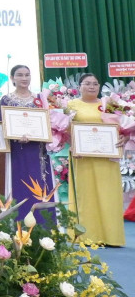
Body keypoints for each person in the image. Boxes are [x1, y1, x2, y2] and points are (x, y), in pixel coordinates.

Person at [67, 73, 126, 246]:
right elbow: (64, 129)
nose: (91, 86)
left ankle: (111, 237)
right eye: (87, 83)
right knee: (85, 196)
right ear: (79, 87)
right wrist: (73, 144)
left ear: (99, 86)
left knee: (108, 195)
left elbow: (123, 128)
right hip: (82, 158)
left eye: (95, 83)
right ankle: (84, 236)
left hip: (107, 159)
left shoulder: (110, 104)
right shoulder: (71, 105)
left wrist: (125, 137)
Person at [0, 65, 54, 224]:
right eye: (20, 75)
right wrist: (15, 136)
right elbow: (2, 124)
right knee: (20, 184)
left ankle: (44, 225)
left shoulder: (40, 98)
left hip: (38, 150)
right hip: (18, 150)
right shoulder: (6, 99)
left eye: (27, 75)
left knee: (40, 183)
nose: (24, 78)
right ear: (12, 78)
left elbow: (49, 122)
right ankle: (19, 224)